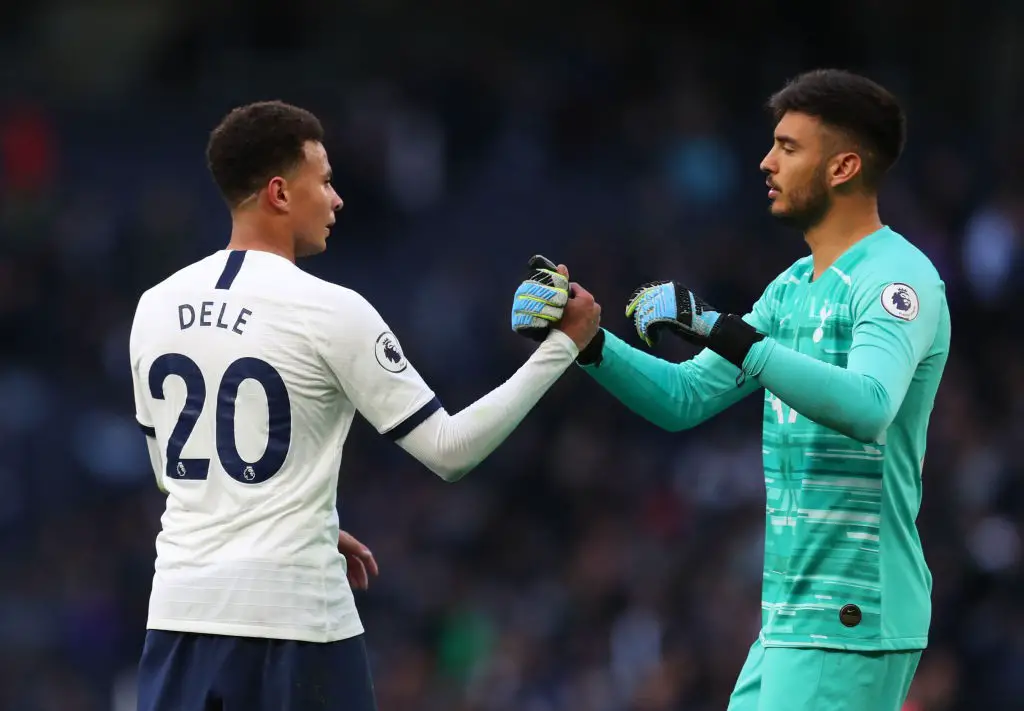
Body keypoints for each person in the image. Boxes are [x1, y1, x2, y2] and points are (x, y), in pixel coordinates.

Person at [129, 100, 600, 711]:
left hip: (179, 617)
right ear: (279, 192)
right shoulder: (331, 309)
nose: (337, 199)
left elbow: (174, 476)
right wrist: (563, 346)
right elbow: (449, 452)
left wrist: (301, 513)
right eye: (323, 181)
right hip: (295, 620)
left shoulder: (154, 306)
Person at [523, 69, 950, 711]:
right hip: (791, 615)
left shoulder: (899, 278)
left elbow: (869, 406)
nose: (766, 162)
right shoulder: (790, 288)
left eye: (788, 146)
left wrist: (717, 329)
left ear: (843, 167)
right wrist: (592, 341)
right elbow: (685, 397)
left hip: (851, 609)